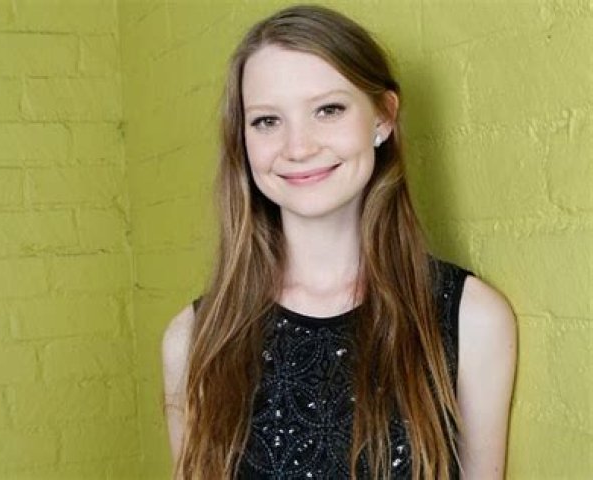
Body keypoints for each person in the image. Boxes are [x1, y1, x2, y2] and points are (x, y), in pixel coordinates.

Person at [162, 4, 516, 479]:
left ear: (383, 117)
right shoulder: (192, 340)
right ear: (242, 140)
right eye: (267, 121)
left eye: (328, 110)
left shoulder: (472, 320)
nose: (299, 147)